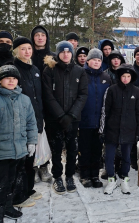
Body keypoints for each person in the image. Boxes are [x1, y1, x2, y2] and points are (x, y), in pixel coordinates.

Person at [0, 65, 38, 223]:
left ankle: (8, 205)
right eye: (7, 78)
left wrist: (31, 142)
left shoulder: (24, 99)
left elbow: (31, 123)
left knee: (14, 181)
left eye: (14, 78)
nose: (11, 81)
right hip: (0, 153)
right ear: (0, 80)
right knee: (0, 184)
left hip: (20, 151)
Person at [42, 41, 88, 195]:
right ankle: (57, 177)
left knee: (72, 149)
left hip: (73, 119)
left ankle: (69, 176)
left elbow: (82, 95)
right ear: (58, 53)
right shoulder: (49, 71)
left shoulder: (79, 71)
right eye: (63, 52)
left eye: (68, 52)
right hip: (54, 119)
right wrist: (60, 115)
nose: (66, 54)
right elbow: (48, 95)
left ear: (72, 54)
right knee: (56, 149)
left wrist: (71, 115)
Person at [99, 64, 139, 195]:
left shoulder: (136, 92)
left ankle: (124, 178)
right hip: (112, 129)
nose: (125, 78)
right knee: (109, 156)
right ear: (119, 77)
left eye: (128, 76)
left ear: (131, 77)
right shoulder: (111, 90)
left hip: (129, 129)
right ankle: (111, 179)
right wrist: (102, 129)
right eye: (123, 76)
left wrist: (138, 131)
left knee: (126, 156)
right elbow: (105, 111)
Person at [12, 37, 44, 207]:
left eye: (29, 49)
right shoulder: (13, 69)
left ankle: (28, 189)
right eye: (23, 49)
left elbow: (38, 96)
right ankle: (18, 195)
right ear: (16, 51)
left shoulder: (35, 70)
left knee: (30, 157)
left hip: (35, 120)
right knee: (21, 159)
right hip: (20, 121)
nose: (27, 52)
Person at [79, 49, 111, 188]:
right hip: (84, 120)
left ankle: (94, 175)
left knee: (97, 150)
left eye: (99, 60)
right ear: (88, 61)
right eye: (94, 60)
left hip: (100, 121)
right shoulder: (81, 75)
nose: (97, 62)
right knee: (84, 149)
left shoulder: (106, 77)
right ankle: (85, 175)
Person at [30, 25, 55, 183]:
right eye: (37, 35)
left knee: (49, 135)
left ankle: (45, 165)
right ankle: (32, 166)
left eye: (43, 35)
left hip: (49, 101)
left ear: (46, 38)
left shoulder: (52, 57)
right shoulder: (28, 54)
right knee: (32, 135)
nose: (40, 37)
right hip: (31, 101)